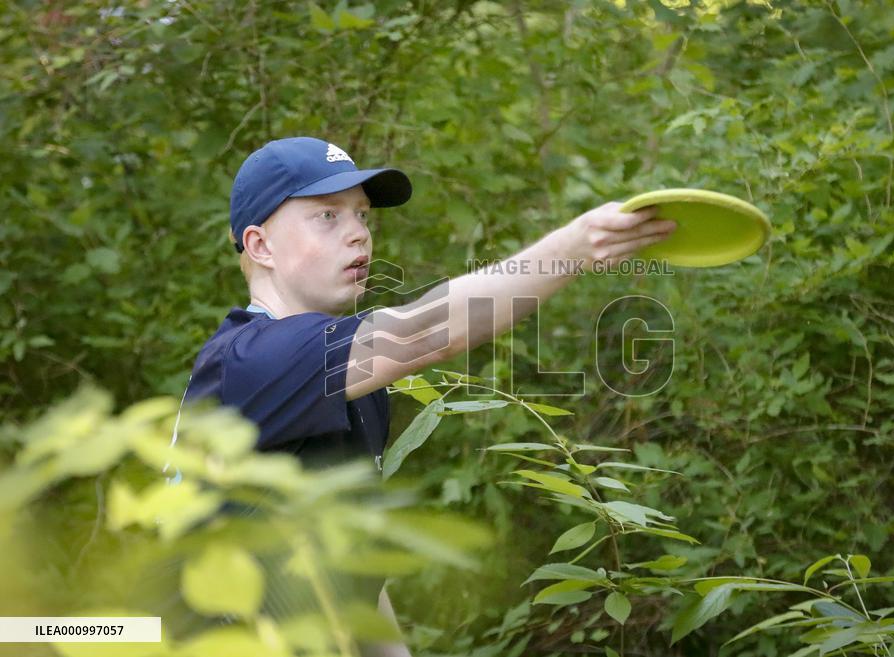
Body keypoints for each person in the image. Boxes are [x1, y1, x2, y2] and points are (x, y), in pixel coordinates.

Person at [181, 136, 676, 657]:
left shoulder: (351, 383)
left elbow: (353, 565)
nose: (358, 235)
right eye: (328, 216)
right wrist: (571, 248)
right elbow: (428, 330)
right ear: (260, 246)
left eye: (363, 217)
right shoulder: (252, 360)